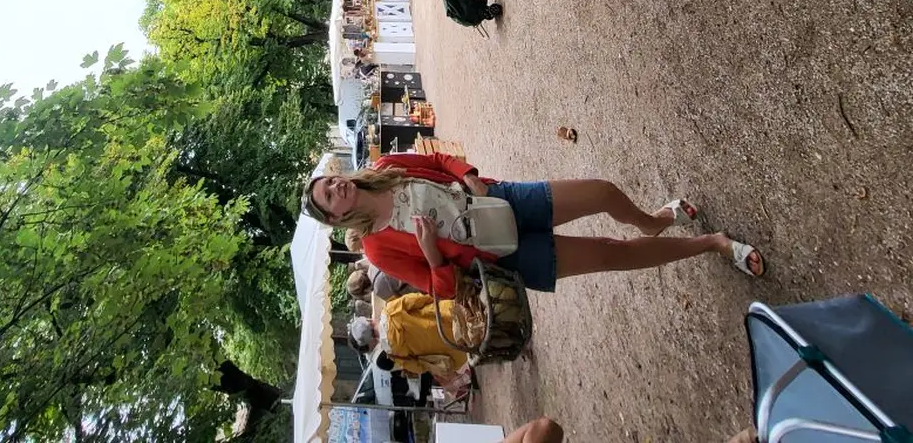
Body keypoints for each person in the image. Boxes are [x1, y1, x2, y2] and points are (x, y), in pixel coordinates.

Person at [301, 151, 766, 300]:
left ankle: (652, 222)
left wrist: (468, 175)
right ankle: (713, 244)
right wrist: (429, 251)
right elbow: (443, 289)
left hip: (502, 201)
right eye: (328, 197)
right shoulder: (378, 249)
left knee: (601, 192)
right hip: (503, 257)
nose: (336, 188)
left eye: (331, 182)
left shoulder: (384, 164)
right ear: (336, 217)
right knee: (609, 254)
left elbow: (439, 158)